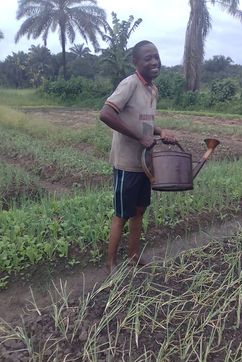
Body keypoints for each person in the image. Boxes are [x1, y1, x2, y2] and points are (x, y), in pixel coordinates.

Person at [100, 40, 177, 273]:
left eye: (156, 57)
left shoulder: (152, 89)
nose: (154, 62)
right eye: (148, 58)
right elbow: (105, 114)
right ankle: (111, 264)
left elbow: (144, 123)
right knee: (122, 214)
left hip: (145, 163)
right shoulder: (130, 84)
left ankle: (133, 255)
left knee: (140, 210)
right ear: (136, 62)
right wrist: (139, 138)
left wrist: (160, 131)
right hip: (127, 164)